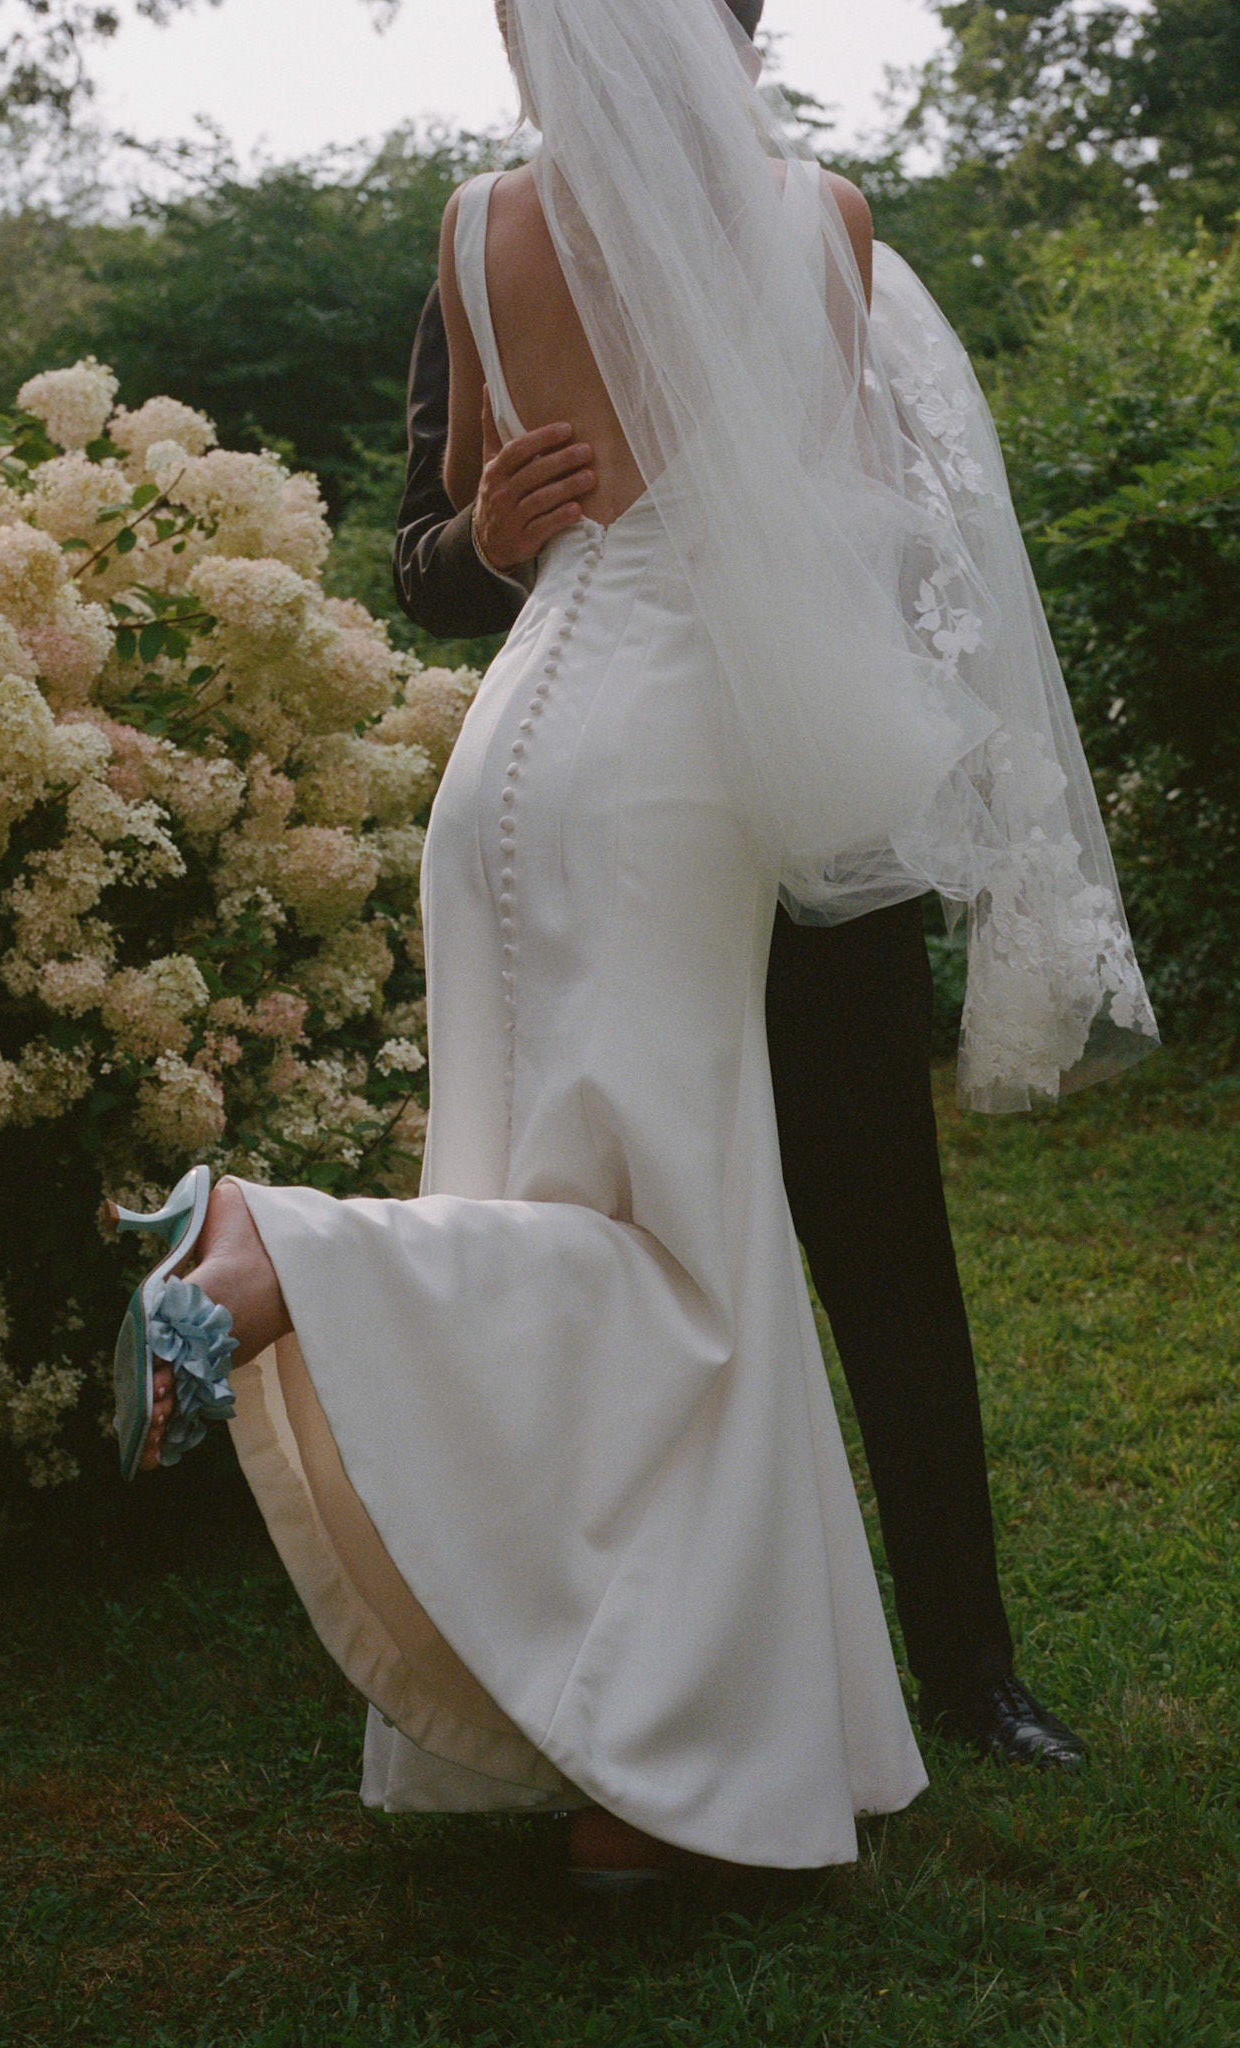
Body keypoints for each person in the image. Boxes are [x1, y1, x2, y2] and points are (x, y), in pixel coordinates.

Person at [111, 0, 1156, 1886]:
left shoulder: (486, 220)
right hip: (712, 778)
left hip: (564, 777)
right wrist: (480, 531)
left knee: (827, 1239)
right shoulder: (796, 224)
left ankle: (922, 1677)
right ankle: (599, 1671)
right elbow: (466, 551)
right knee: (679, 1266)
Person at [391, 0, 1089, 1773]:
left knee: (882, 1242)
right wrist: (482, 537)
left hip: (796, 803)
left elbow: (870, 522)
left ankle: (972, 1671)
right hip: (620, 795)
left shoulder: (806, 225)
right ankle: (603, 1656)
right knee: (605, 1230)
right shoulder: (489, 235)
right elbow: (425, 559)